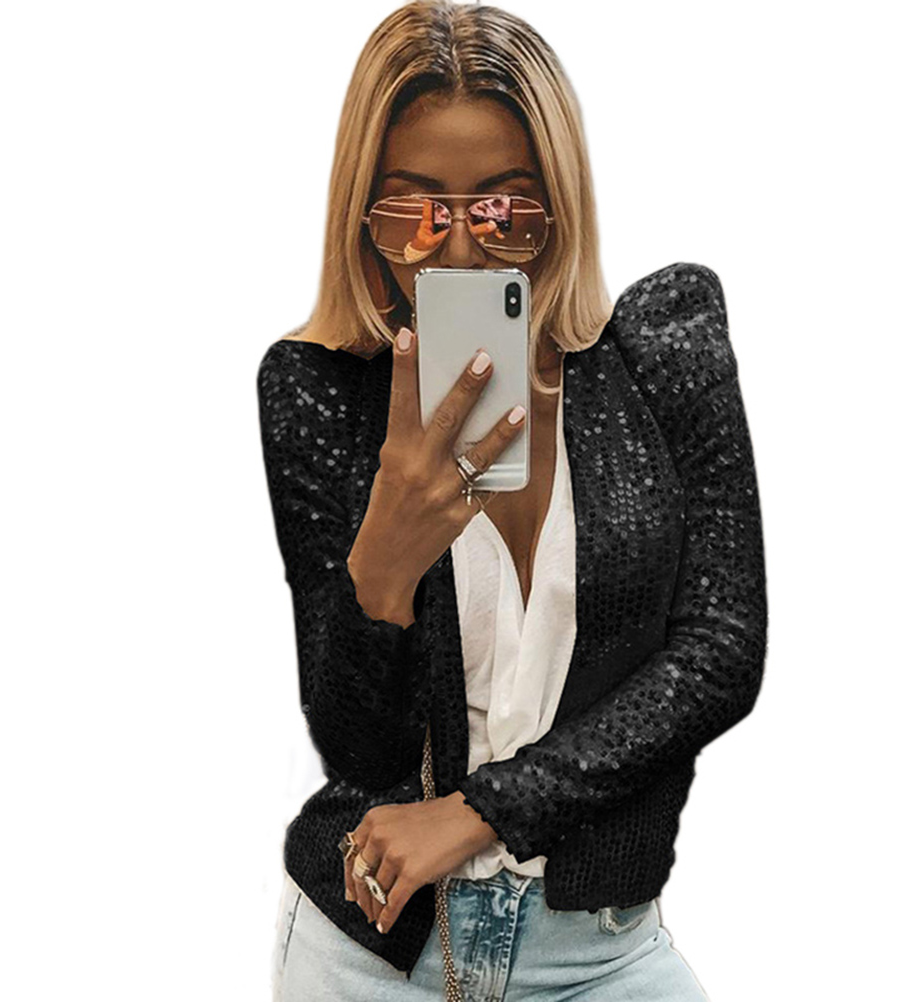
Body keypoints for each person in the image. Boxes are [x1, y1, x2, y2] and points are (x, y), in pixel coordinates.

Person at [257, 2, 768, 999]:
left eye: (502, 210)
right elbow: (360, 748)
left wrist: (484, 812)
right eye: (414, 214)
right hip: (374, 954)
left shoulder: (663, 351)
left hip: (603, 955)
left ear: (559, 208)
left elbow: (720, 651)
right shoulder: (319, 392)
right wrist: (382, 567)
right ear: (364, 222)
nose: (459, 253)